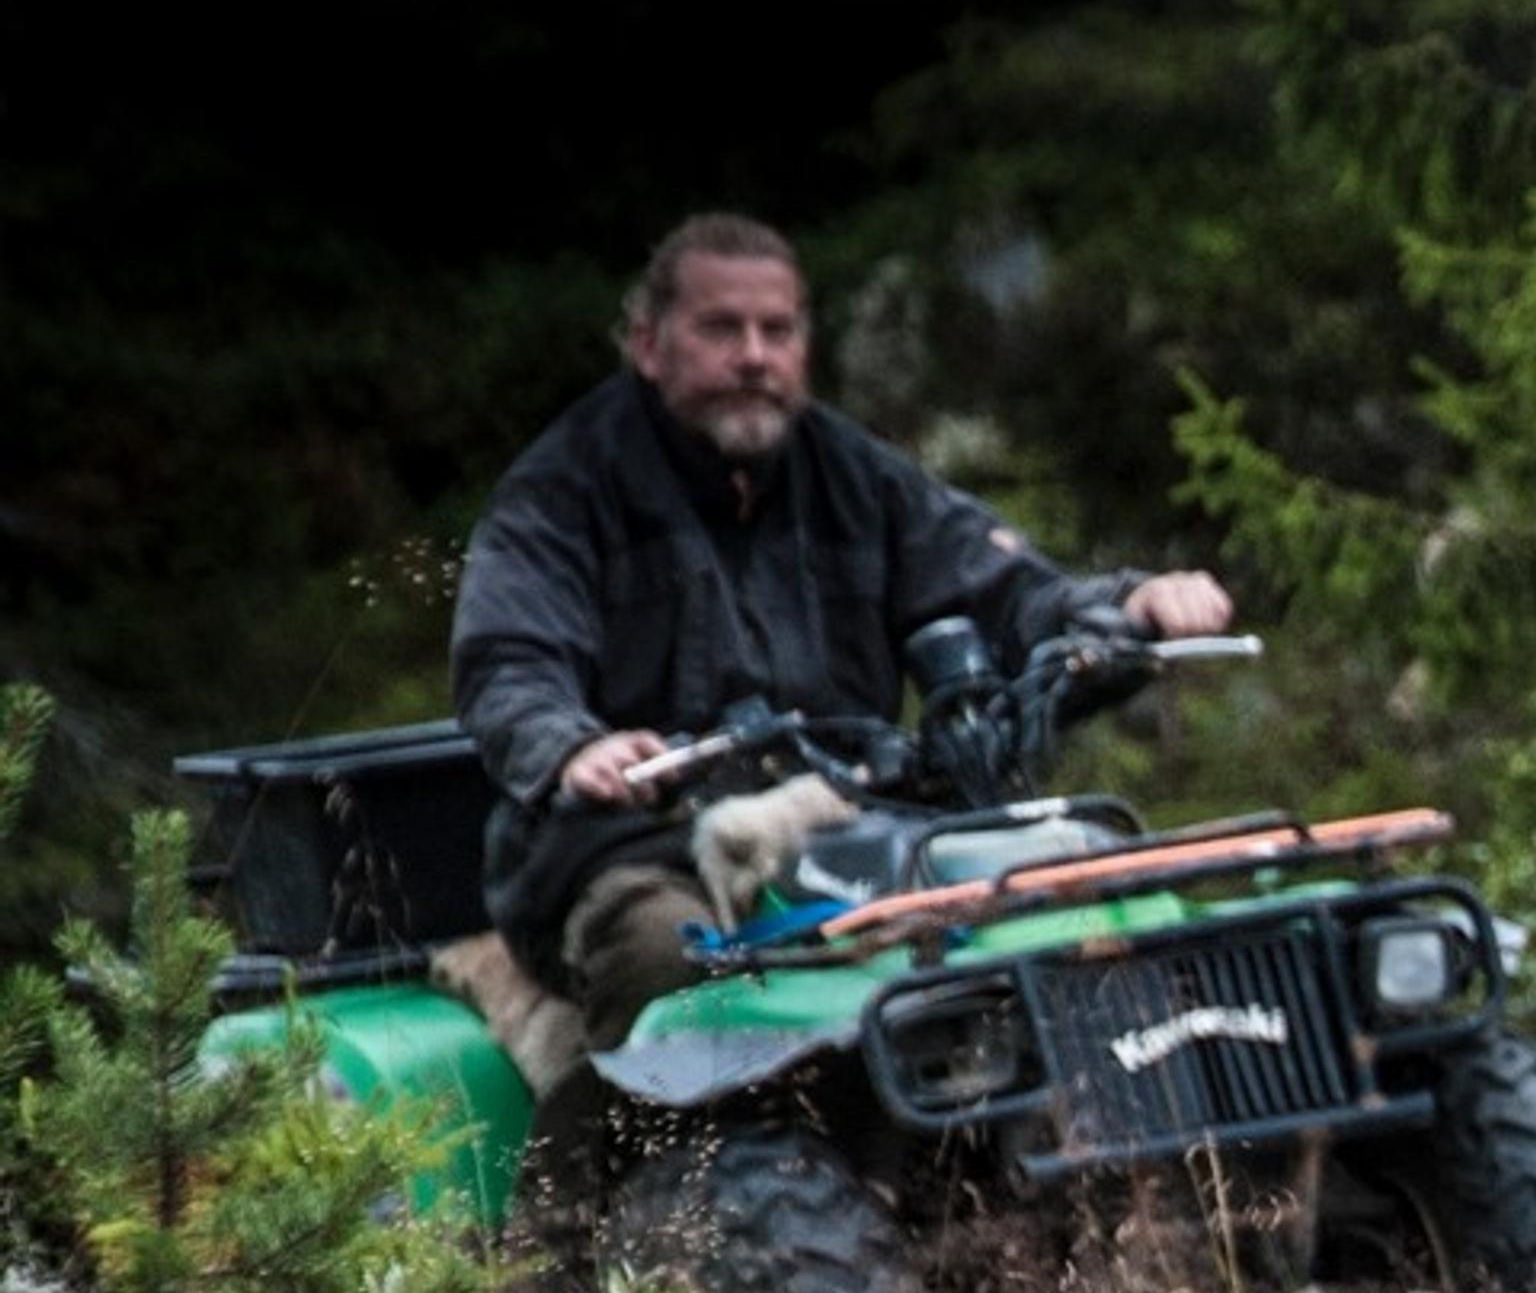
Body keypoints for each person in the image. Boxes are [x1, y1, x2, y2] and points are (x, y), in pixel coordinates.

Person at [452, 212, 1233, 1048]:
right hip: (636, 849)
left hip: (849, 828)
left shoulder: (855, 475)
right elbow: (509, 664)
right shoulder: (564, 489)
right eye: (721, 329)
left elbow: (1007, 590)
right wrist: (573, 748)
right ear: (648, 344)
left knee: (1066, 905)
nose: (754, 355)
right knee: (668, 958)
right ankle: (622, 1138)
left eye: (777, 330)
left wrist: (1131, 609)